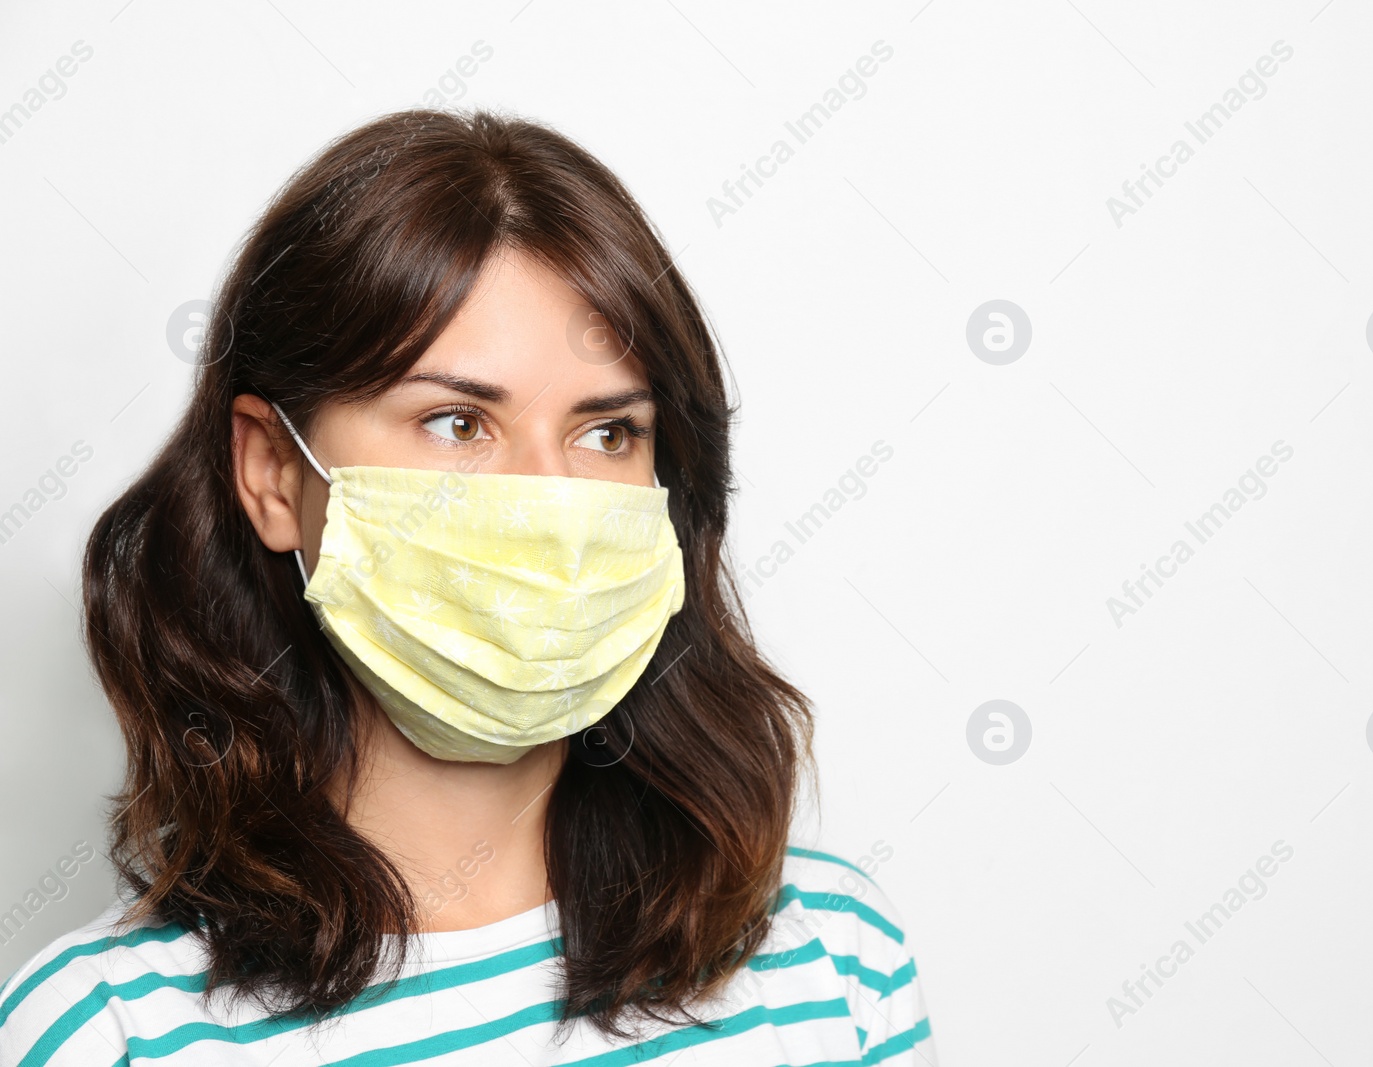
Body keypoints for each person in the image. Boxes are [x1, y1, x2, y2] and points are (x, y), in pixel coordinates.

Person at [0, 109, 935, 1065]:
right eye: (456, 423)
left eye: (608, 433)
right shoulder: (105, 1032)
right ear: (276, 472)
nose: (546, 499)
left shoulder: (833, 959)